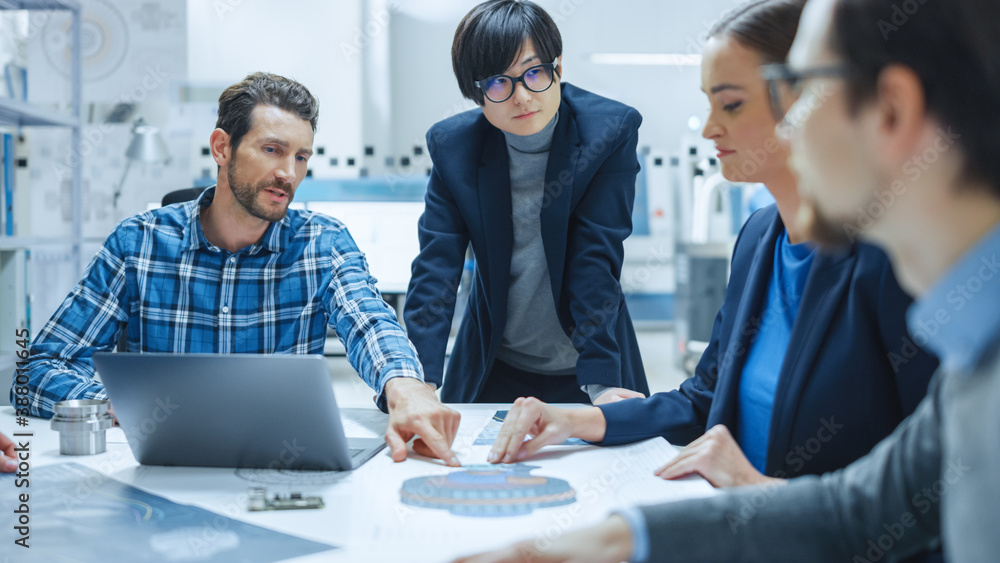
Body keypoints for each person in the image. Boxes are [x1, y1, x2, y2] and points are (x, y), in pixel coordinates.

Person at [456, 0, 1000, 560]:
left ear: (891, 110)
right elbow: (868, 507)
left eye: (797, 91)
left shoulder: (925, 294)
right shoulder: (971, 348)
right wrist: (608, 529)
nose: (714, 128)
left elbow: (894, 520)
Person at [16, 72, 461, 466]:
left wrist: (406, 386)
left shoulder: (322, 242)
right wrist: (113, 403)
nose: (289, 173)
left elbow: (370, 322)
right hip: (162, 474)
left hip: (279, 467)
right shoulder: (139, 243)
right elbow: (39, 367)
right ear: (222, 147)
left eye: (301, 157)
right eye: (272, 150)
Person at [403, 0, 650, 405]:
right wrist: (416, 382)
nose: (522, 97)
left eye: (534, 73)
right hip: (494, 364)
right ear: (476, 93)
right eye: (499, 82)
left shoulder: (608, 133)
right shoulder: (454, 148)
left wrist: (603, 384)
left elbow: (595, 259)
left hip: (591, 363)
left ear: (558, 69)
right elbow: (436, 270)